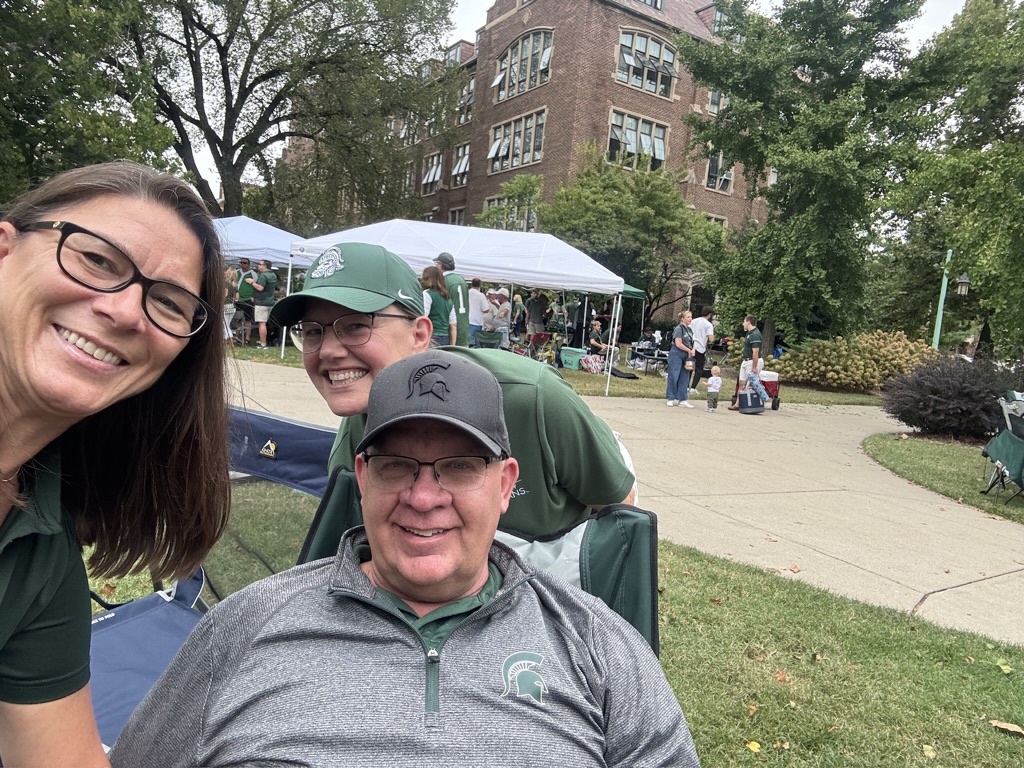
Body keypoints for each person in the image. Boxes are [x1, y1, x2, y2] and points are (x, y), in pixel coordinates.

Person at [109, 350, 698, 767]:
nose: (423, 497)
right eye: (396, 467)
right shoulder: (243, 629)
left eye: (459, 467)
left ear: (504, 485)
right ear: (362, 478)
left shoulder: (598, 647)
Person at [0, 161, 231, 767]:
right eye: (97, 260)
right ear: (3, 250)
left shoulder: (39, 551)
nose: (127, 312)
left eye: (169, 303)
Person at [270, 242, 636, 535]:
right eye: (313, 332)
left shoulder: (530, 397)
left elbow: (621, 515)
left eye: (355, 326)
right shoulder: (357, 431)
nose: (329, 351)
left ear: (419, 335)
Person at [433, 252, 469, 347]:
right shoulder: (461, 279)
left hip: (449, 330)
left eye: (436, 263)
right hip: (464, 327)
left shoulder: (442, 281)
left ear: (440, 265)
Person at [729, 314, 763, 410]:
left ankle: (752, 403)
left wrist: (754, 367)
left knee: (750, 384)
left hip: (752, 361)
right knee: (741, 382)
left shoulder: (755, 334)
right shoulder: (749, 333)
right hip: (746, 360)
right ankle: (738, 403)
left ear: (748, 322)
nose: (743, 323)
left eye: (744, 321)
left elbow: (755, 352)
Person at [419, 265, 456, 346]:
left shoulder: (427, 294)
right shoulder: (448, 298)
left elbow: (423, 316)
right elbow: (453, 324)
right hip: (445, 338)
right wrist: (453, 345)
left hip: (432, 337)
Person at [666, 310, 695, 408]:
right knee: (674, 375)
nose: (690, 319)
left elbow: (692, 342)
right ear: (683, 318)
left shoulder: (690, 330)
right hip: (677, 354)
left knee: (685, 376)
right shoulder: (678, 329)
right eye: (688, 317)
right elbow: (678, 343)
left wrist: (692, 350)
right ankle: (670, 398)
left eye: (691, 317)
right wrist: (688, 350)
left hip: (687, 355)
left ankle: (682, 399)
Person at [247, 258, 278, 349]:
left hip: (262, 302)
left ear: (265, 266)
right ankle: (263, 340)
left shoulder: (263, 275)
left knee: (262, 323)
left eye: (260, 264)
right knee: (267, 323)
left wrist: (252, 282)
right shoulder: (273, 275)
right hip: (270, 302)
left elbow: (260, 288)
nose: (258, 266)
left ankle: (263, 344)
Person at [689, 306, 716, 393]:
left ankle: (686, 386)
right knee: (699, 369)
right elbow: (711, 339)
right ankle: (693, 387)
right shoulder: (708, 325)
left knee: (689, 367)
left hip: (691, 346)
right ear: (709, 314)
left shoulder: (693, 321)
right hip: (700, 348)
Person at [234, 257, 257, 344]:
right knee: (238, 318)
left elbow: (256, 285)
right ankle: (237, 336)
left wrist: (253, 296)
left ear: (248, 264)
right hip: (238, 299)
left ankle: (247, 338)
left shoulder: (253, 274)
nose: (242, 264)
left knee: (248, 319)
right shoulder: (237, 272)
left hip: (247, 299)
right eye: (241, 262)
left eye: (244, 263)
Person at [223, 266, 238, 344]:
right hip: (232, 306)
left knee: (223, 325)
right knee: (227, 325)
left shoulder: (226, 283)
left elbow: (225, 295)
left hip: (225, 305)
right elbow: (237, 298)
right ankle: (230, 341)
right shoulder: (235, 285)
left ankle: (226, 341)